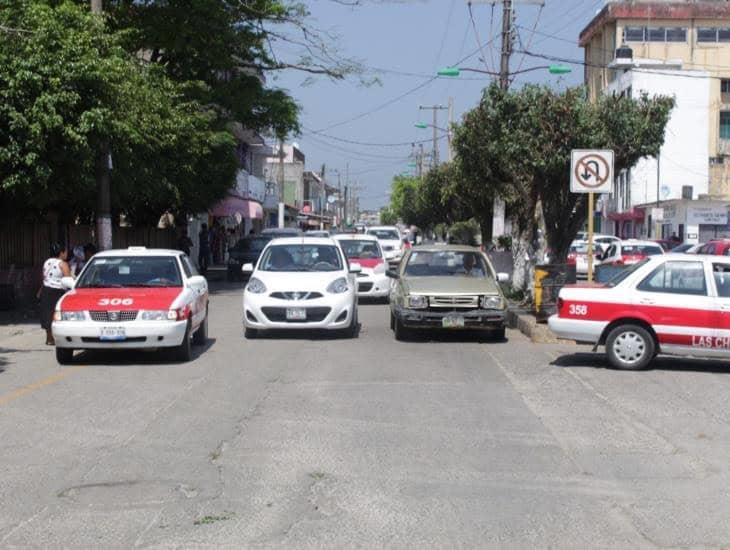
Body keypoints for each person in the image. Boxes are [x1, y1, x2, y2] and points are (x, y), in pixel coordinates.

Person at [38, 242, 72, 346]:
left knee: (47, 314)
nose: (66, 253)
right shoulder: (62, 263)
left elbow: (44, 277)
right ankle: (60, 337)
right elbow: (68, 279)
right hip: (58, 292)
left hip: (46, 290)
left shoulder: (47, 262)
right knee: (57, 315)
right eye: (65, 251)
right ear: (61, 253)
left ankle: (49, 338)